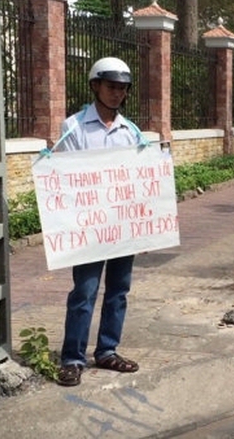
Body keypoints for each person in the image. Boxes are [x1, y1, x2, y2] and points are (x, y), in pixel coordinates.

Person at [56, 57, 145, 387]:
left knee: (119, 290)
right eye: (111, 87)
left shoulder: (131, 132)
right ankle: (72, 357)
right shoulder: (74, 128)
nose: (116, 94)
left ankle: (107, 350)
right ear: (95, 86)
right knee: (85, 291)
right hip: (89, 225)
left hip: (121, 226)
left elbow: (141, 178)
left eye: (122, 89)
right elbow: (67, 177)